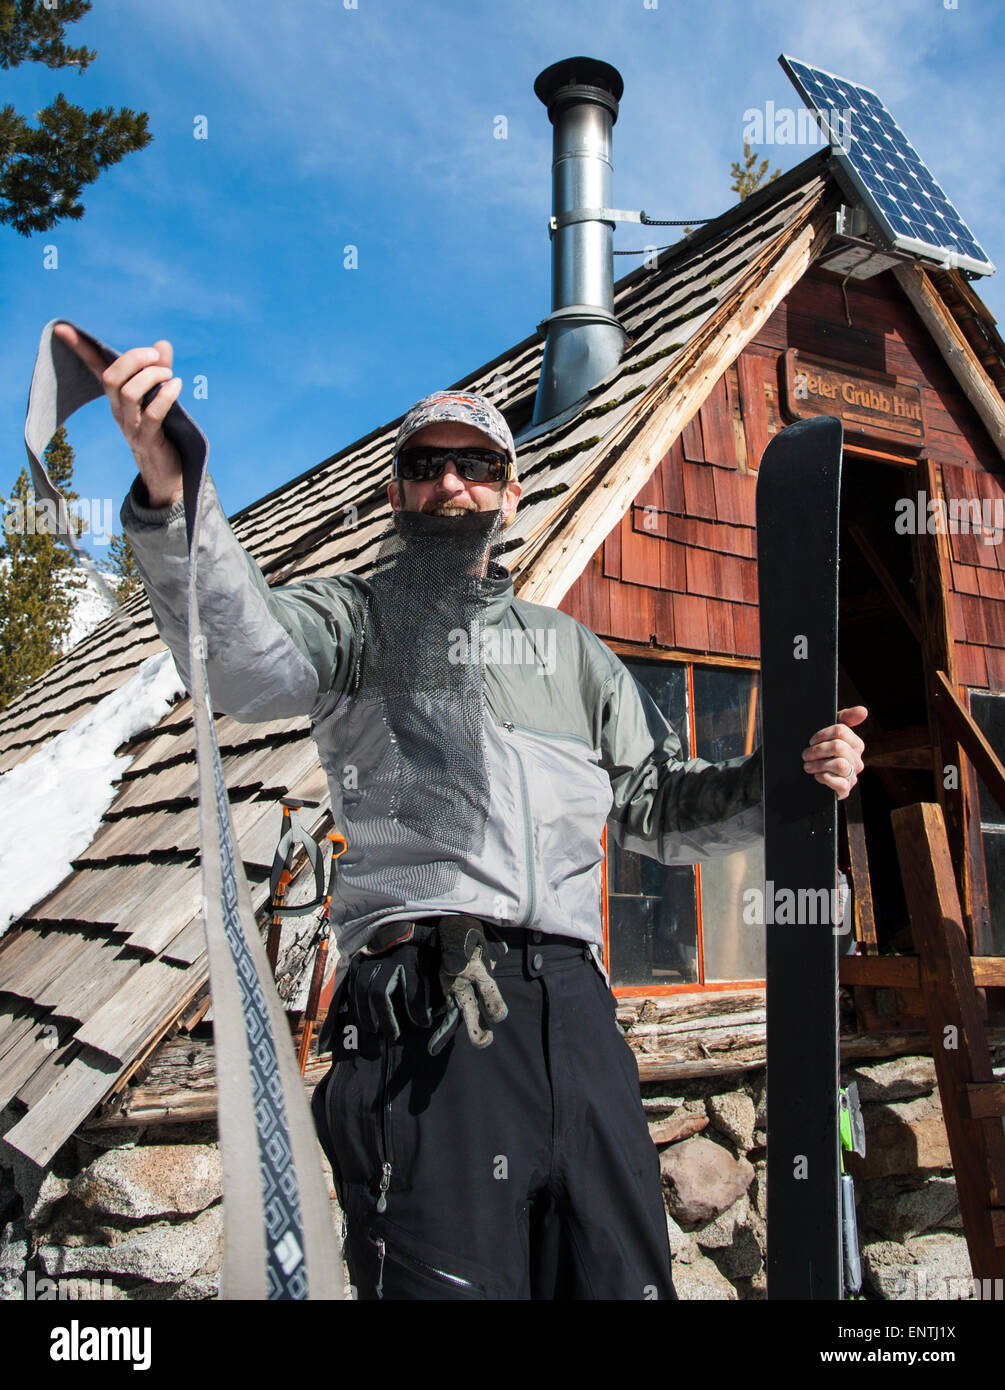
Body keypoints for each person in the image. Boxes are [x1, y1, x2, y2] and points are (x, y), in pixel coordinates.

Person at [54, 326, 867, 1301]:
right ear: (399, 494)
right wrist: (171, 493)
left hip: (575, 1019)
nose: (451, 484)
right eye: (426, 466)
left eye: (478, 465)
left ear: (509, 493)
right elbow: (244, 662)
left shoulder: (575, 655)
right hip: (427, 1024)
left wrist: (788, 774)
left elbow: (662, 811)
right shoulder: (357, 618)